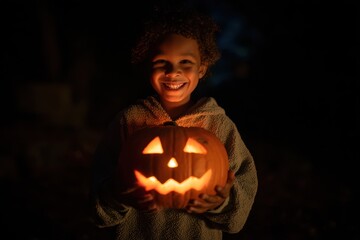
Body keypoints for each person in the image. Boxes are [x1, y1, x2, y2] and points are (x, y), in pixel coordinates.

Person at [89, 5, 258, 240]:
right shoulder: (129, 121)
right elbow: (98, 201)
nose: (172, 72)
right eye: (161, 62)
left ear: (202, 68)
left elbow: (243, 193)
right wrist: (117, 195)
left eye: (185, 62)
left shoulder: (220, 127)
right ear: (148, 65)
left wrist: (223, 202)